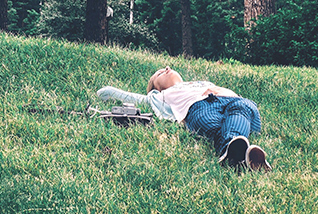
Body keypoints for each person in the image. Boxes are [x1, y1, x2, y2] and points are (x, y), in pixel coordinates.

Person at [98, 67, 271, 171]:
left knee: (241, 108)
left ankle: (232, 151)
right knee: (213, 124)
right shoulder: (161, 96)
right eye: (160, 73)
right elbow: (128, 97)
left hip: (233, 102)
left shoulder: (200, 82)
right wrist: (105, 92)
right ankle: (239, 151)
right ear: (156, 88)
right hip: (199, 107)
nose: (166, 67)